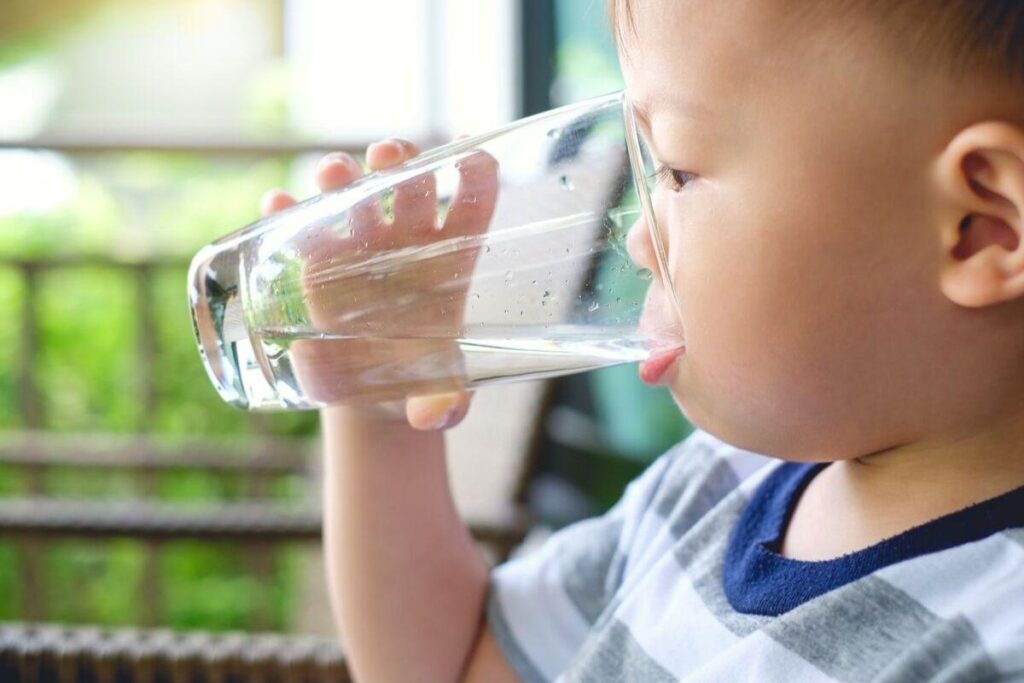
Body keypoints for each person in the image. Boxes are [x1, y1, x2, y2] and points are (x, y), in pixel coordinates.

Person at [260, 0, 1024, 680]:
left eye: (679, 171)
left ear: (981, 228)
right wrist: (382, 414)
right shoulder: (711, 484)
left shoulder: (992, 634)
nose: (638, 243)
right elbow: (450, 665)